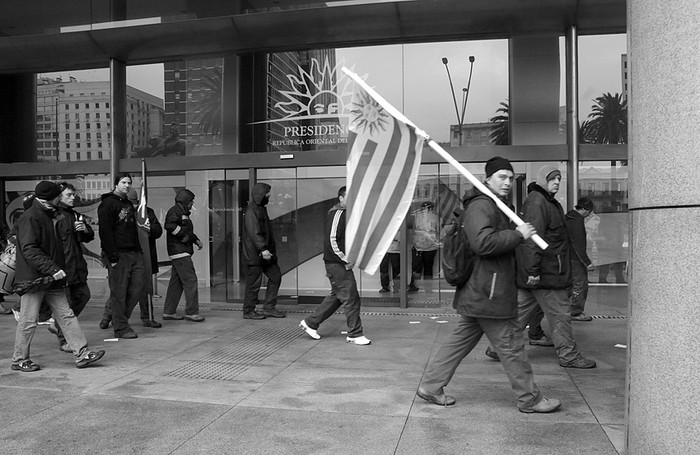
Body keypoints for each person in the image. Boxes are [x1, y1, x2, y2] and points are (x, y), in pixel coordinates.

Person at [416, 157, 560, 413]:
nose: (507, 182)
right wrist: (518, 234)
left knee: (459, 342)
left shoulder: (496, 205)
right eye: (501, 177)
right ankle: (530, 398)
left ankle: (430, 385)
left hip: (482, 291)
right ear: (488, 179)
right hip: (489, 292)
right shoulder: (482, 206)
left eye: (510, 177)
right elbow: (483, 243)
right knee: (513, 346)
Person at [11, 181, 105, 372]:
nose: (65, 198)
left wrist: (56, 271)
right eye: (60, 195)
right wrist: (53, 269)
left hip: (51, 276)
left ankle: (82, 353)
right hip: (35, 278)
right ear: (53, 197)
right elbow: (30, 249)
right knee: (28, 320)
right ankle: (19, 359)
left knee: (66, 314)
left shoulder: (51, 215)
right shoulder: (31, 218)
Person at [516, 165, 596, 369]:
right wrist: (533, 271)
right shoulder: (538, 202)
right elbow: (532, 238)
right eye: (553, 178)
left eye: (559, 179)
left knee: (520, 314)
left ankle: (499, 347)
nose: (557, 182)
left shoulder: (547, 202)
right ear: (543, 179)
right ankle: (568, 354)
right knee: (561, 315)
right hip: (547, 272)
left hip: (544, 271)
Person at [299, 186, 371, 346]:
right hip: (337, 264)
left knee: (339, 296)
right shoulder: (338, 214)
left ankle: (311, 323)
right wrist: (345, 259)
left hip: (337, 263)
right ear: (340, 198)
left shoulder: (342, 214)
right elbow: (332, 241)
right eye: (348, 198)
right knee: (351, 298)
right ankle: (355, 333)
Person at [37, 183, 95, 351]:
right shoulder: (54, 216)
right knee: (65, 307)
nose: (73, 197)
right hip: (62, 268)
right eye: (69, 195)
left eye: (73, 194)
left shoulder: (75, 215)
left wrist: (84, 229)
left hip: (76, 267)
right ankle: (65, 340)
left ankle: (57, 325)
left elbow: (88, 236)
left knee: (83, 296)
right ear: (59, 196)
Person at [98, 172, 144, 339]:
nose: (127, 185)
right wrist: (112, 256)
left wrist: (138, 250)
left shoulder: (128, 204)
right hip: (118, 253)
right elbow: (105, 231)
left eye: (129, 183)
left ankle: (117, 317)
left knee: (137, 288)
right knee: (119, 292)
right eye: (124, 182)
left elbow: (132, 229)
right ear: (116, 183)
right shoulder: (107, 204)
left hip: (133, 252)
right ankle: (121, 326)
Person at [241, 183, 284, 319]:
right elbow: (254, 231)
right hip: (256, 254)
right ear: (260, 195)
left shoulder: (260, 209)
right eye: (267, 194)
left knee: (275, 276)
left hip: (265, 253)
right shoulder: (252, 210)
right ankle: (248, 311)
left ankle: (269, 308)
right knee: (253, 284)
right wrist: (263, 249)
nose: (269, 196)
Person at [162, 189, 205, 322]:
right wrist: (183, 235)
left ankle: (169, 312)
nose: (192, 203)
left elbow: (186, 230)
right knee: (190, 281)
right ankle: (191, 312)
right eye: (191, 200)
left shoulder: (181, 212)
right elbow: (169, 226)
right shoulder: (175, 211)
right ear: (185, 201)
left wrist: (195, 240)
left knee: (176, 283)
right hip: (179, 251)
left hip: (180, 251)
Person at [129, 189, 164, 327]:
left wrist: (149, 228)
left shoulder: (147, 212)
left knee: (145, 288)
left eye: (135, 203)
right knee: (123, 289)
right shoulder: (123, 213)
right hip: (128, 256)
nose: (134, 206)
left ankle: (147, 317)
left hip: (145, 256)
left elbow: (158, 230)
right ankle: (110, 316)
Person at [565, 197, 596, 322]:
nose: (588, 215)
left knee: (569, 285)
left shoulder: (567, 218)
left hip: (566, 257)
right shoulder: (577, 221)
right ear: (583, 209)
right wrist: (587, 262)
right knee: (580, 285)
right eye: (588, 212)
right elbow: (578, 244)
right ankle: (576, 312)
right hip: (575, 259)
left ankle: (567, 310)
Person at [408, 201, 440, 293]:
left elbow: (439, 231)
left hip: (429, 246)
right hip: (419, 246)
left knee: (427, 268)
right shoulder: (416, 217)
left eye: (428, 208)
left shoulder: (436, 218)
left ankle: (427, 287)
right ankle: (415, 286)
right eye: (425, 209)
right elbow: (411, 228)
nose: (426, 211)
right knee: (417, 267)